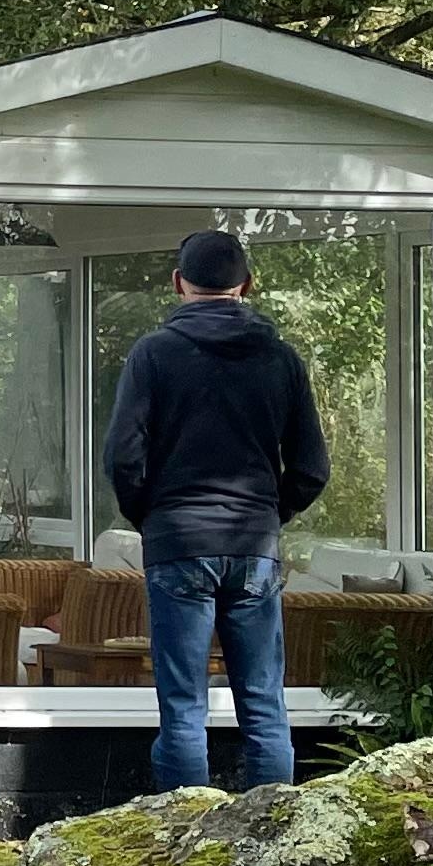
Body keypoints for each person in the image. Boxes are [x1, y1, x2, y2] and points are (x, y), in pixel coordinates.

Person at [100, 226, 331, 792]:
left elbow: (122, 456)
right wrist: (267, 514)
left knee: (183, 706)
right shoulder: (281, 359)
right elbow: (311, 468)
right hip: (253, 549)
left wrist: (151, 516)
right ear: (246, 285)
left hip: (178, 544)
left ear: (179, 283)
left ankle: (184, 846)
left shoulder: (154, 355)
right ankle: (272, 837)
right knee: (263, 703)